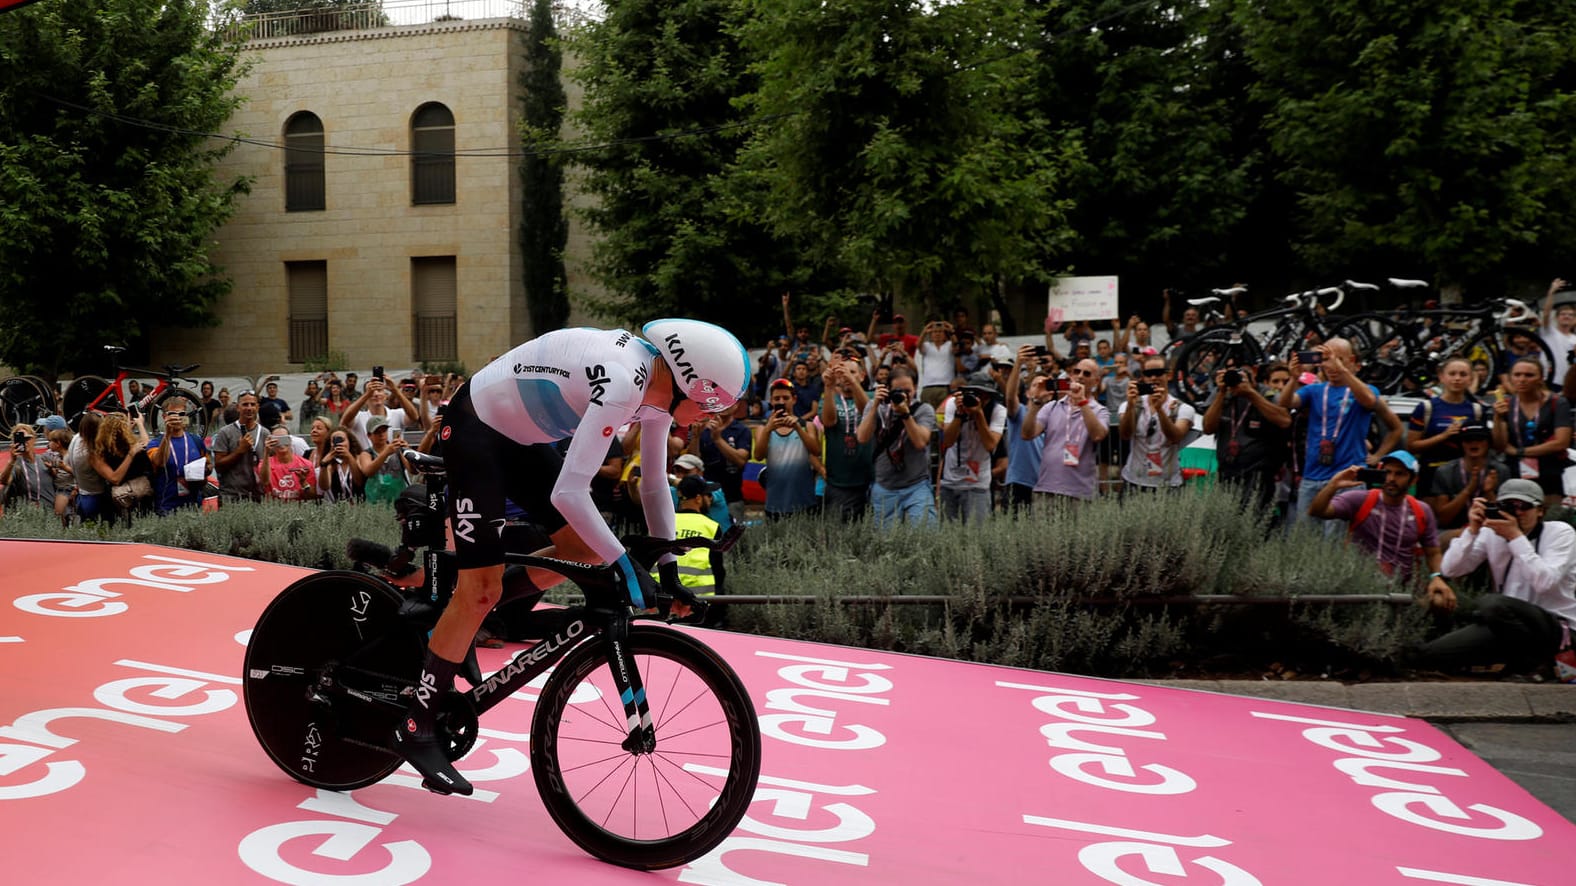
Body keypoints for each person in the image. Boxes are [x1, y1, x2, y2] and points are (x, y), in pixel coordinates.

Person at [390, 318, 750, 796]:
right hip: (477, 427)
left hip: (522, 439)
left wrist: (668, 569)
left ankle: (486, 612)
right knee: (481, 587)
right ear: (691, 383)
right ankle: (418, 725)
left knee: (579, 548)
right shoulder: (624, 381)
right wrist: (624, 563)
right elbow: (570, 494)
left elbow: (654, 484)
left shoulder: (660, 390)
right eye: (708, 407)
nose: (706, 418)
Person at [1420, 479, 1576, 675]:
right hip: (1506, 625)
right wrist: (1472, 530)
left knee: (1492, 604)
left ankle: (1529, 665)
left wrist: (1515, 538)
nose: (1517, 513)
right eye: (1509, 506)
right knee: (1429, 655)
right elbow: (1451, 569)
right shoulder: (1490, 533)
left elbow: (1545, 583)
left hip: (1555, 628)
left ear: (1540, 511)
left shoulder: (1561, 533)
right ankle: (1521, 661)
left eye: (1524, 506)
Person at [1279, 339, 1404, 532]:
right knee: (1304, 542)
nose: (1331, 365)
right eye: (1326, 359)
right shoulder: (1315, 390)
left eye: (1338, 359)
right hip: (1312, 477)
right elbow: (1286, 402)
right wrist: (1293, 378)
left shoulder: (1363, 390)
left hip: (1347, 478)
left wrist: (1377, 456)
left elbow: (1370, 401)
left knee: (1335, 545)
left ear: (1352, 361)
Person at [1308, 452, 1443, 585]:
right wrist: (1333, 485)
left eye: (1399, 474)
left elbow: (1433, 552)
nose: (1391, 478)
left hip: (1402, 587)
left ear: (1413, 480)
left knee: (1439, 600)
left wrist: (1436, 577)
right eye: (1387, 472)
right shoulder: (1360, 499)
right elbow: (1317, 511)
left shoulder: (1422, 510)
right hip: (1359, 584)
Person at [857, 364, 938, 527]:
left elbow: (921, 442)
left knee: (925, 535)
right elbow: (862, 438)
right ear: (888, 389)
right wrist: (874, 405)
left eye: (908, 391)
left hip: (916, 485)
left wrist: (906, 414)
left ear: (915, 388)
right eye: (898, 391)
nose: (903, 396)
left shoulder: (923, 410)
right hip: (885, 486)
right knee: (886, 542)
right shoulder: (877, 408)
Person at [1201, 363, 1292, 509]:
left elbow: (1285, 420)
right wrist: (1221, 392)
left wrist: (1250, 393)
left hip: (1257, 474)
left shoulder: (1265, 393)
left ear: (1253, 379)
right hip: (1227, 471)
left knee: (1253, 517)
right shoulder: (1222, 393)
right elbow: (1207, 427)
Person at [1022, 359, 1111, 503]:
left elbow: (1098, 435)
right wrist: (1036, 402)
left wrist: (1082, 402)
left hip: (1080, 493)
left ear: (1096, 381)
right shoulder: (1052, 406)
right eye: (1077, 371)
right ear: (1070, 376)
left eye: (1086, 374)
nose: (1080, 376)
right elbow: (1027, 434)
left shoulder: (1100, 411)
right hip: (1047, 488)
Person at [1491, 355, 1572, 510]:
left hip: (1550, 469)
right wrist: (1497, 418)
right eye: (1517, 375)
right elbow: (1500, 445)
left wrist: (1519, 451)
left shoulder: (1557, 402)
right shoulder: (1506, 404)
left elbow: (1561, 442)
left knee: (1550, 517)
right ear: (1510, 378)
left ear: (1541, 378)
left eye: (1529, 375)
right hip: (1516, 471)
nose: (1522, 379)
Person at [1118, 354, 1197, 491]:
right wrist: (1131, 405)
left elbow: (1175, 437)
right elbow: (1125, 434)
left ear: (1169, 375)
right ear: (1143, 377)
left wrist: (1160, 410)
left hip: (1168, 484)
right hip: (1134, 481)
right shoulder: (1130, 405)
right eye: (1149, 374)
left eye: (1159, 373)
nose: (1153, 378)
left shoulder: (1183, 408)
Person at [1405, 358, 1485, 493]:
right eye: (1452, 374)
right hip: (1431, 474)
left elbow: (1485, 447)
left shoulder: (1477, 410)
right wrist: (1444, 435)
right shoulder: (1426, 408)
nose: (1457, 378)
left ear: (1471, 379)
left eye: (1463, 374)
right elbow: (1412, 446)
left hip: (1464, 476)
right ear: (1441, 377)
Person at [1424, 423, 1508, 539]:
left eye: (1479, 439)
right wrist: (1468, 490)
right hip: (1454, 530)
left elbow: (1505, 517)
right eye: (1468, 440)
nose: (1474, 444)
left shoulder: (1501, 471)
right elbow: (1443, 519)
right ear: (1461, 444)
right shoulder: (1445, 472)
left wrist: (1489, 492)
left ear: (1488, 443)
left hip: (1491, 529)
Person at [938, 379, 1006, 522]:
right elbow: (948, 441)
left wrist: (979, 414)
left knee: (977, 537)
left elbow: (990, 445)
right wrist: (959, 415)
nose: (978, 399)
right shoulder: (953, 404)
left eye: (983, 396)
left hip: (977, 484)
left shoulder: (998, 410)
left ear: (989, 397)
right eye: (975, 394)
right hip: (950, 481)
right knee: (948, 535)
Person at [818, 350, 875, 519]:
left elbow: (868, 411)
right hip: (840, 483)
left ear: (862, 376)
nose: (847, 376)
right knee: (841, 536)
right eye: (843, 373)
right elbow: (828, 421)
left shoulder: (872, 397)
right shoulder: (829, 399)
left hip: (872, 479)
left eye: (853, 372)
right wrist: (828, 386)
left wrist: (852, 382)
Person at [754, 378, 822, 518]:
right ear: (771, 401)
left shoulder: (807, 426)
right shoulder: (762, 429)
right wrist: (768, 429)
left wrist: (797, 427)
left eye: (786, 398)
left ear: (794, 399)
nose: (781, 402)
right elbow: (759, 456)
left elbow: (816, 451)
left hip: (805, 503)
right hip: (775, 503)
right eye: (776, 398)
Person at [145, 397, 209, 515]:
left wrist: (203, 474)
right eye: (172, 414)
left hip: (194, 505)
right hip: (167, 507)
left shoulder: (196, 440)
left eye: (181, 414)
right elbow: (159, 462)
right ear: (164, 417)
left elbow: (207, 466)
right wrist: (168, 434)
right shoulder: (155, 443)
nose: (177, 417)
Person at [211, 390, 267, 503]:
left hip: (258, 496)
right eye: (245, 404)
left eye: (252, 404)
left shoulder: (265, 433)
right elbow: (218, 466)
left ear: (257, 407)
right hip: (231, 495)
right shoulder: (225, 432)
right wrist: (239, 451)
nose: (249, 408)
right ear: (238, 407)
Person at [342, 375, 420, 450]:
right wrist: (366, 395)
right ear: (365, 398)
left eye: (379, 390)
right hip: (367, 461)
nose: (376, 394)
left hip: (394, 461)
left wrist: (395, 390)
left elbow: (414, 417)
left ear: (385, 396)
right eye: (371, 392)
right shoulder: (359, 417)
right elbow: (345, 421)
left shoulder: (398, 414)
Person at [257, 425, 318, 501]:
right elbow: (264, 481)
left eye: (284, 439)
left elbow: (312, 496)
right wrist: (266, 452)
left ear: (290, 440)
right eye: (276, 440)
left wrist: (303, 482)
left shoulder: (306, 464)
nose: (281, 443)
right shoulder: (265, 463)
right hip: (274, 509)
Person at [65, 412, 107, 522]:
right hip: (95, 498)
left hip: (82, 495)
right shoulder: (90, 453)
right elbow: (113, 477)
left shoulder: (76, 439)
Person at [361, 415, 411, 504]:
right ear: (369, 435)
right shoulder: (366, 454)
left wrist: (407, 452)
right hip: (375, 504)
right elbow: (368, 471)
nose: (381, 434)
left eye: (384, 430)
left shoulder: (398, 449)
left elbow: (413, 470)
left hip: (399, 502)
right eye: (377, 432)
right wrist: (386, 453)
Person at [1540, 277, 1576, 389]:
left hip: (1569, 383)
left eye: (1571, 315)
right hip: (1549, 380)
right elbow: (1546, 313)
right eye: (1563, 314)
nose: (1567, 316)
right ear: (1556, 318)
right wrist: (1551, 292)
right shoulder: (1549, 332)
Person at [317, 425, 369, 502]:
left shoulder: (359, 458)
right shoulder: (331, 466)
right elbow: (324, 486)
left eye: (342, 440)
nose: (339, 444)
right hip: (340, 509)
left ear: (349, 442)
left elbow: (359, 482)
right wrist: (324, 464)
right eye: (334, 441)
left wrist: (349, 456)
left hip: (361, 507)